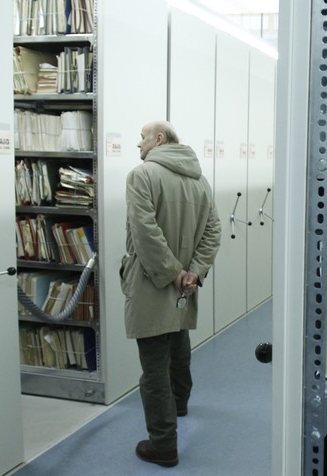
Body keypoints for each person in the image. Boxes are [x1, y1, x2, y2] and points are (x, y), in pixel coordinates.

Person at [119, 120, 221, 467]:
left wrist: (172, 273)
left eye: (142, 137)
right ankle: (180, 402)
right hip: (184, 285)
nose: (139, 145)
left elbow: (144, 232)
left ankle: (163, 444)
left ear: (159, 139)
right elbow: (213, 231)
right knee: (178, 343)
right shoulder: (200, 181)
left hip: (152, 284)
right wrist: (194, 271)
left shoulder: (141, 176)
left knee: (153, 368)